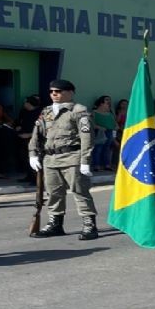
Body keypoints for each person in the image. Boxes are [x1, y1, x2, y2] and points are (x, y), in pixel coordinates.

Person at [29, 79, 98, 240]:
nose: (54, 94)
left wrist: (85, 161)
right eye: (52, 91)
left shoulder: (79, 111)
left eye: (58, 91)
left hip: (72, 157)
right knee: (53, 193)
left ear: (70, 93)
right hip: (50, 158)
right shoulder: (46, 111)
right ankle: (55, 224)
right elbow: (37, 133)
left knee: (80, 191)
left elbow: (87, 137)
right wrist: (32, 153)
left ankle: (89, 225)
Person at [13, 95, 41, 184]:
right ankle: (29, 176)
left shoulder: (39, 113)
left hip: (34, 139)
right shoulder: (24, 111)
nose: (24, 104)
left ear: (29, 104)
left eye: (26, 103)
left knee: (34, 158)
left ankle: (36, 179)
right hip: (22, 137)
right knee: (24, 158)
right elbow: (19, 121)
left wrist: (29, 135)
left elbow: (41, 129)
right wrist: (18, 126)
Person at [90, 95, 118, 172]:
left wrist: (115, 128)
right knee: (98, 148)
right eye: (106, 100)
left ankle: (107, 165)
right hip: (99, 132)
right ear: (101, 103)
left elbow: (115, 124)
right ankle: (97, 165)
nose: (109, 102)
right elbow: (92, 123)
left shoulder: (110, 114)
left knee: (107, 149)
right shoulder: (94, 112)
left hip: (110, 132)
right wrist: (99, 127)